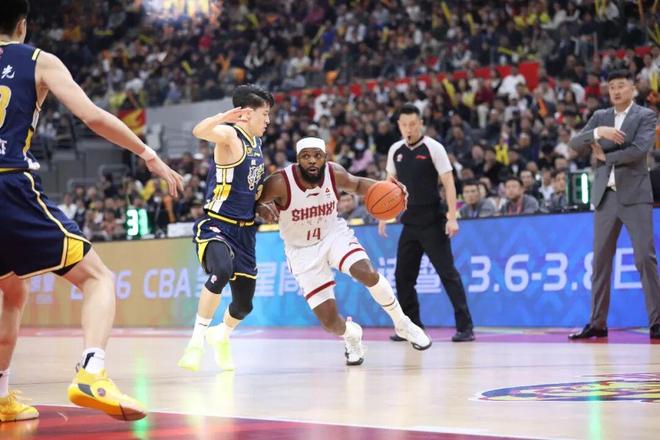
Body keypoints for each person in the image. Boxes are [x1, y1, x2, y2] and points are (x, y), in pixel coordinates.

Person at [0, 0, 183, 422]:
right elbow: (92, 117)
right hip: (9, 182)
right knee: (98, 278)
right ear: (22, 25)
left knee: (13, 290)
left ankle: (2, 395)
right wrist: (148, 154)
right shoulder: (39, 61)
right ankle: (92, 372)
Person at [257, 137, 431, 365]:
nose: (312, 161)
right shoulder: (280, 182)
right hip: (301, 250)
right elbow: (252, 199)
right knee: (330, 322)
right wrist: (261, 207)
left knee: (367, 272)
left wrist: (391, 190)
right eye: (306, 156)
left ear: (325, 157)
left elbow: (357, 185)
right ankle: (351, 335)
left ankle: (403, 323)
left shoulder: (334, 173)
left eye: (317, 156)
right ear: (298, 159)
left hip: (332, 234)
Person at [178, 84, 273, 372]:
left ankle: (221, 333)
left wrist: (260, 204)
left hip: (245, 231)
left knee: (244, 306)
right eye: (265, 114)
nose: (268, 120)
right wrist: (223, 117)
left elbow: (250, 187)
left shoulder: (256, 144)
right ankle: (196, 343)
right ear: (247, 113)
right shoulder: (230, 135)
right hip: (217, 225)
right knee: (221, 270)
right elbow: (199, 131)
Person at [568, 69, 660, 340]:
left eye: (621, 85)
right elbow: (575, 143)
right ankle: (597, 322)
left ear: (632, 88)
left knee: (644, 258)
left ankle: (657, 321)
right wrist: (598, 131)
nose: (616, 91)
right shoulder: (600, 117)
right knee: (600, 263)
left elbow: (639, 150)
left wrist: (605, 157)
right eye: (612, 87)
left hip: (635, 196)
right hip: (605, 197)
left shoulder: (645, 115)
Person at [379, 104, 475, 343]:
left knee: (448, 274)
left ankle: (465, 327)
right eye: (404, 125)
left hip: (433, 220)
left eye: (413, 124)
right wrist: (383, 216)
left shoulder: (434, 147)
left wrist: (452, 217)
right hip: (409, 222)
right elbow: (388, 187)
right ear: (399, 126)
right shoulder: (395, 150)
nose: (408, 129)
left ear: (421, 123)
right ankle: (412, 327)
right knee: (403, 277)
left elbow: (449, 184)